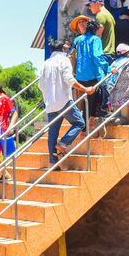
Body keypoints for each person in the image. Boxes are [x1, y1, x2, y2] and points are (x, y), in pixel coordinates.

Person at [38, 39, 93, 169]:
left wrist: (49, 94)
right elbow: (69, 79)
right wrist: (85, 89)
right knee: (79, 122)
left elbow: (40, 85)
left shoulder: (45, 63)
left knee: (53, 133)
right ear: (63, 48)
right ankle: (63, 144)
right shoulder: (64, 60)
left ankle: (53, 162)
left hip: (50, 103)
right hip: (64, 100)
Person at [72, 20, 109, 127]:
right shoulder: (96, 39)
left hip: (79, 76)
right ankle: (85, 128)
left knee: (84, 102)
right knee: (94, 100)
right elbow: (97, 57)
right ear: (96, 29)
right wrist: (107, 67)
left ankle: (88, 125)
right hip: (92, 75)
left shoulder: (78, 39)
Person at [107, 44, 129, 125]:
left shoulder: (114, 64)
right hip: (127, 96)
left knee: (118, 116)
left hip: (115, 97)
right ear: (127, 53)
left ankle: (106, 121)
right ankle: (109, 121)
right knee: (126, 119)